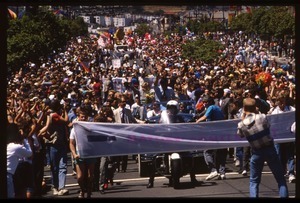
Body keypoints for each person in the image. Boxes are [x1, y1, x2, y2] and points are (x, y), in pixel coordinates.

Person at [237, 98, 288, 198]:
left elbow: (240, 135)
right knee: (280, 179)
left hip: (256, 152)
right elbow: (267, 126)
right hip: (270, 149)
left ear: (244, 108)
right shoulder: (262, 117)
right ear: (255, 107)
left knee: (254, 181)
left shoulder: (241, 125)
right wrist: (256, 112)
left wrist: (243, 118)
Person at [146, 100, 199, 188]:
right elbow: (156, 125)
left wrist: (190, 123)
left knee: (191, 156)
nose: (172, 110)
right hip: (165, 142)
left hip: (178, 142)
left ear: (177, 109)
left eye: (173, 108)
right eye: (170, 108)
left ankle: (193, 178)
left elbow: (186, 125)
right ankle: (151, 181)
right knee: (154, 158)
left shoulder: (180, 118)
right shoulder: (162, 118)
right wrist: (151, 124)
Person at [195, 96, 227, 180]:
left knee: (207, 151)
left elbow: (205, 117)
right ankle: (222, 172)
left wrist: (197, 122)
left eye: (205, 102)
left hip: (213, 133)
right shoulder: (218, 108)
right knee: (221, 153)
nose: (204, 104)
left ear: (209, 102)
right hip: (221, 133)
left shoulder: (211, 107)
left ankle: (213, 170)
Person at [69, 108, 97, 198]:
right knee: (80, 177)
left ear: (87, 117)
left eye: (85, 117)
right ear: (79, 117)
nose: (83, 118)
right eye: (82, 117)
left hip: (90, 153)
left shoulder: (91, 128)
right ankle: (82, 189)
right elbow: (71, 143)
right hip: (79, 154)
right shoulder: (74, 129)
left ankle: (89, 190)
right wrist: (74, 154)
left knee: (90, 176)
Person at [270, 96, 296, 183]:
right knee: (279, 154)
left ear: (285, 101)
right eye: (279, 102)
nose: (281, 104)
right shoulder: (275, 112)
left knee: (290, 155)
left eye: (282, 102)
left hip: (289, 136)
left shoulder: (292, 109)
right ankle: (282, 171)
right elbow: (272, 124)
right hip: (279, 137)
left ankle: (291, 173)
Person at [7, 118, 33, 198]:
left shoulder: (8, 145)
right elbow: (29, 153)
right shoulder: (16, 147)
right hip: (8, 174)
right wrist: (24, 140)